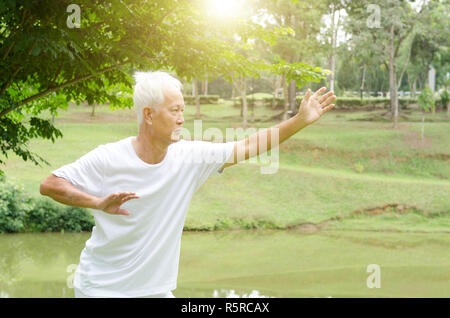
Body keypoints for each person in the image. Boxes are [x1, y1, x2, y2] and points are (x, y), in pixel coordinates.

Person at [39, 71, 336, 298]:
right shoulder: (108, 157)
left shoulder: (189, 157)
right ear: (149, 115)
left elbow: (247, 146)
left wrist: (299, 120)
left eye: (183, 110)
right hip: (102, 290)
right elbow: (50, 184)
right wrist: (97, 202)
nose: (182, 119)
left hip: (155, 290)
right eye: (174, 111)